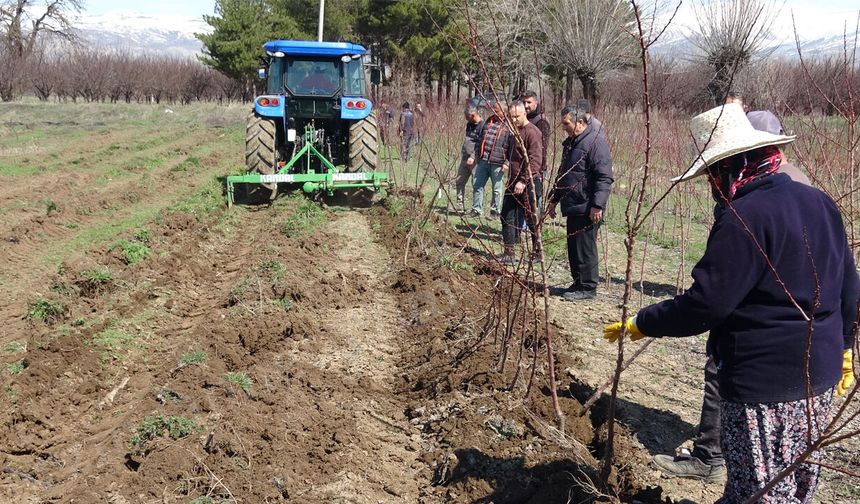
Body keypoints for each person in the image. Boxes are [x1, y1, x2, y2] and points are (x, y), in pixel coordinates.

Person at [605, 103, 858, 503]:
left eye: (712, 174)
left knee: (755, 492)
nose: (711, 186)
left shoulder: (743, 217)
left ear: (730, 167)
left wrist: (644, 321)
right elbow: (849, 284)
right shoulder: (819, 201)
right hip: (820, 375)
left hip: (763, 385)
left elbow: (707, 304)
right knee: (795, 485)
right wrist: (844, 345)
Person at [547, 99, 613, 300]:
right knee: (574, 248)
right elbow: (564, 174)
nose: (564, 127)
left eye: (566, 123)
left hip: (587, 206)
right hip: (573, 204)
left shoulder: (595, 142)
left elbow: (604, 177)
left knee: (585, 249)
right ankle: (577, 284)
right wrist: (554, 198)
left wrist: (597, 205)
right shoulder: (572, 143)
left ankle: (588, 288)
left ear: (580, 122)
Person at [499, 101, 543, 264]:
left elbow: (535, 160)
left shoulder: (533, 132)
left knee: (531, 219)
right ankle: (509, 253)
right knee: (506, 215)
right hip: (513, 181)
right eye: (511, 117)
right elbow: (512, 155)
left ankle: (537, 253)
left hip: (529, 182)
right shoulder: (513, 132)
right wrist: (507, 163)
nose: (514, 120)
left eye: (516, 116)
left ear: (524, 113)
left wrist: (523, 181)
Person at [468, 96, 509, 217]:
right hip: (483, 160)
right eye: (493, 109)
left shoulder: (509, 125)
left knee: (497, 189)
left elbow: (511, 147)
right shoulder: (489, 121)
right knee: (477, 184)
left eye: (497, 110)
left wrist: (507, 162)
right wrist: (475, 155)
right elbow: (480, 139)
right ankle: (476, 209)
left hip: (498, 162)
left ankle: (495, 211)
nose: (494, 112)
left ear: (504, 111)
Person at [455, 102, 484, 213]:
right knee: (459, 180)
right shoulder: (469, 124)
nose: (466, 119)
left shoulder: (483, 126)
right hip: (465, 157)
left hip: (475, 160)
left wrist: (473, 156)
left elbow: (480, 144)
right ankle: (459, 205)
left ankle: (476, 208)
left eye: (467, 117)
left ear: (472, 115)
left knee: (476, 184)